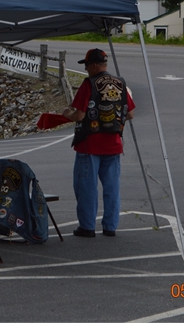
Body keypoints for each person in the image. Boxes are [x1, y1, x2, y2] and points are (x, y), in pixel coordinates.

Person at [61, 48, 135, 238]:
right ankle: (110, 226)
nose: (86, 70)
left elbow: (80, 115)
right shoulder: (120, 83)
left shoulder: (89, 84)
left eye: (86, 66)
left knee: (86, 187)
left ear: (94, 66)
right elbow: (130, 113)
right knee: (112, 188)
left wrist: (67, 114)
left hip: (90, 144)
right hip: (114, 143)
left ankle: (87, 226)